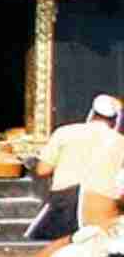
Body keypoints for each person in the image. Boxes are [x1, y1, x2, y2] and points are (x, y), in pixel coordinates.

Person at [31, 95, 124, 239]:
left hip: (63, 203)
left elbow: (43, 170)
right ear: (116, 119)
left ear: (92, 113)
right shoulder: (120, 142)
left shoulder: (64, 132)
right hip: (101, 206)